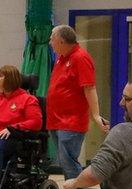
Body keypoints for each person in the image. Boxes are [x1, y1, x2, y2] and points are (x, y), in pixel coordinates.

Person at [46, 24, 109, 180]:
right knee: (63, 160)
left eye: (52, 39)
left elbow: (90, 88)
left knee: (68, 161)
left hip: (71, 121)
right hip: (55, 120)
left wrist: (96, 115)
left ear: (61, 41)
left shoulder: (80, 58)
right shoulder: (61, 58)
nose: (50, 42)